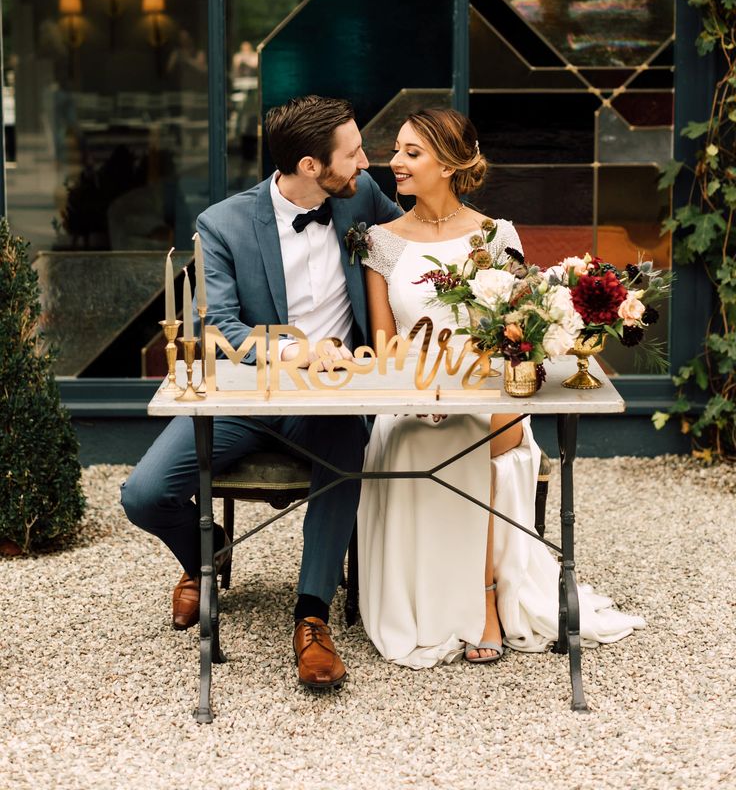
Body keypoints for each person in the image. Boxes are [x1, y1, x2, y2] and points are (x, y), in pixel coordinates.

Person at [121, 95, 401, 689]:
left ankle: (312, 618)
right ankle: (207, 550)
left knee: (344, 450)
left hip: (333, 399)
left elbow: (411, 251)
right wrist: (299, 350)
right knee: (143, 495)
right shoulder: (222, 224)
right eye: (353, 154)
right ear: (309, 166)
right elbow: (221, 325)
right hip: (248, 397)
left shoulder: (363, 199)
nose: (366, 162)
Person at [358, 108, 645, 668]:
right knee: (422, 438)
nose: (394, 162)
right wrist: (420, 398)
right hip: (412, 397)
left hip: (491, 394)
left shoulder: (497, 236)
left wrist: (483, 394)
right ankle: (440, 603)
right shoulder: (381, 242)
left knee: (478, 436)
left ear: (449, 164)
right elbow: (384, 350)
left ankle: (487, 599)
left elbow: (518, 335)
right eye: (397, 150)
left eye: (411, 153)